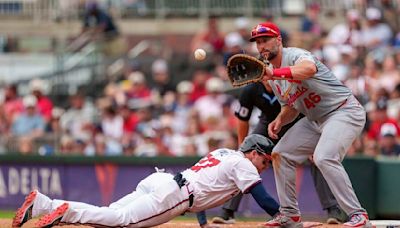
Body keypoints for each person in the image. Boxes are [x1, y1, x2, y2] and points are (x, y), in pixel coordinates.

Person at [248, 21, 372, 227]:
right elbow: (291, 106)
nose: (262, 46)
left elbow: (309, 69)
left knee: (324, 157)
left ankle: (358, 215)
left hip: (343, 110)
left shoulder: (295, 55)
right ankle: (289, 214)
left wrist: (275, 74)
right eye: (258, 43)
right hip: (316, 120)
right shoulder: (274, 78)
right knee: (281, 153)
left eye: (266, 40)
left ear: (278, 40)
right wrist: (280, 119)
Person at [12, 134, 280, 228]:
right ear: (255, 152)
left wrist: (202, 222)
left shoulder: (223, 153)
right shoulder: (244, 164)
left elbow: (205, 183)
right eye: (265, 160)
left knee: (112, 214)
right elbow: (263, 198)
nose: (265, 165)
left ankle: (44, 204)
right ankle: (65, 212)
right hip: (174, 195)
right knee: (119, 222)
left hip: (162, 180)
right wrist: (287, 220)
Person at [211, 79, 346, 224]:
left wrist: (315, 141)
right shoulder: (251, 90)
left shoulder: (288, 84)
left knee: (318, 157)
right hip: (268, 124)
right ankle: (228, 210)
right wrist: (242, 149)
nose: (268, 77)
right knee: (243, 161)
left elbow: (309, 110)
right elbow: (243, 119)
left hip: (298, 123)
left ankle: (333, 209)